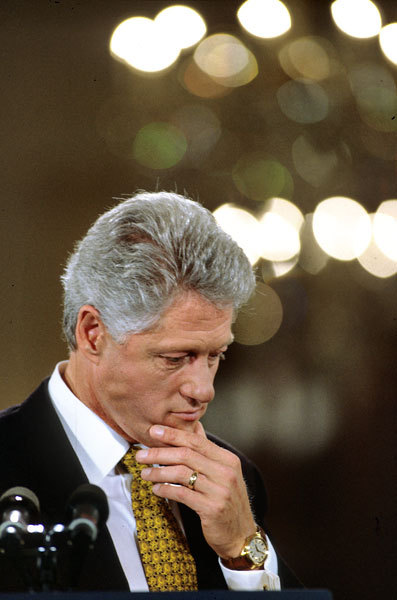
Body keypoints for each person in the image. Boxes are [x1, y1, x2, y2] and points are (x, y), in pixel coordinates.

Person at [0, 191, 290, 592]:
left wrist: (242, 550)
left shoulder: (234, 480)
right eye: (175, 358)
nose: (203, 390)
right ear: (93, 334)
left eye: (215, 355)